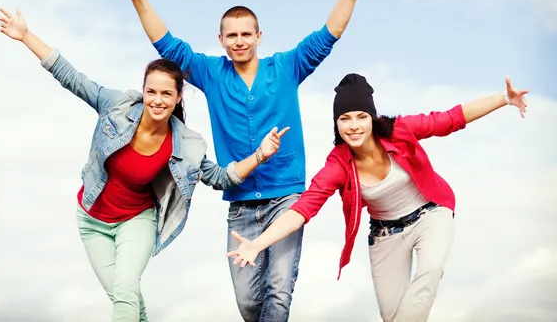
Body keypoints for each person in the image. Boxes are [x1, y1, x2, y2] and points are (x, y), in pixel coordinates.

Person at [0, 7, 289, 322]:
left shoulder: (185, 144)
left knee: (124, 291)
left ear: (179, 97)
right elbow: (71, 77)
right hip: (92, 219)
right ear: (143, 91)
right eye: (151, 91)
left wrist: (259, 155)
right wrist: (25, 36)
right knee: (128, 299)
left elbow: (221, 177)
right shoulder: (118, 106)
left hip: (137, 220)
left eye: (166, 93)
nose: (157, 100)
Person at [122, 0, 368, 321]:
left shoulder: (286, 67)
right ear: (221, 39)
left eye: (246, 34)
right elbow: (168, 46)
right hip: (241, 206)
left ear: (259, 36)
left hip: (286, 198)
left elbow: (329, 34)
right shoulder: (210, 73)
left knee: (278, 293)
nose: (239, 41)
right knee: (249, 304)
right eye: (231, 35)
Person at [226, 73, 529, 322]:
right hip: (386, 236)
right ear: (337, 124)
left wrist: (504, 99)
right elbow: (304, 208)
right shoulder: (338, 164)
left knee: (430, 270)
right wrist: (257, 242)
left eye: (361, 116)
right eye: (345, 118)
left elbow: (451, 118)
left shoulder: (400, 130)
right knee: (394, 315)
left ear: (372, 118)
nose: (354, 125)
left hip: (429, 215)